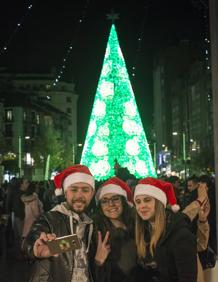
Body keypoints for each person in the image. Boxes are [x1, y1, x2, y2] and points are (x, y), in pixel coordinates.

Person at [23, 164, 95, 282]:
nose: (79, 195)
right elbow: (31, 240)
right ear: (65, 193)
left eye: (85, 190)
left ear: (92, 194)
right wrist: (36, 248)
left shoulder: (90, 224)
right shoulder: (50, 219)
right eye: (74, 189)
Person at [134, 177, 197, 282]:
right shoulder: (143, 231)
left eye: (147, 200)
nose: (142, 206)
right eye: (138, 202)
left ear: (159, 202)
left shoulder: (180, 234)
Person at [92, 177, 140, 282]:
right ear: (100, 206)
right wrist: (98, 261)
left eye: (115, 199)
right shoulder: (95, 232)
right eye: (104, 201)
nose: (111, 204)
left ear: (123, 201)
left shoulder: (137, 225)